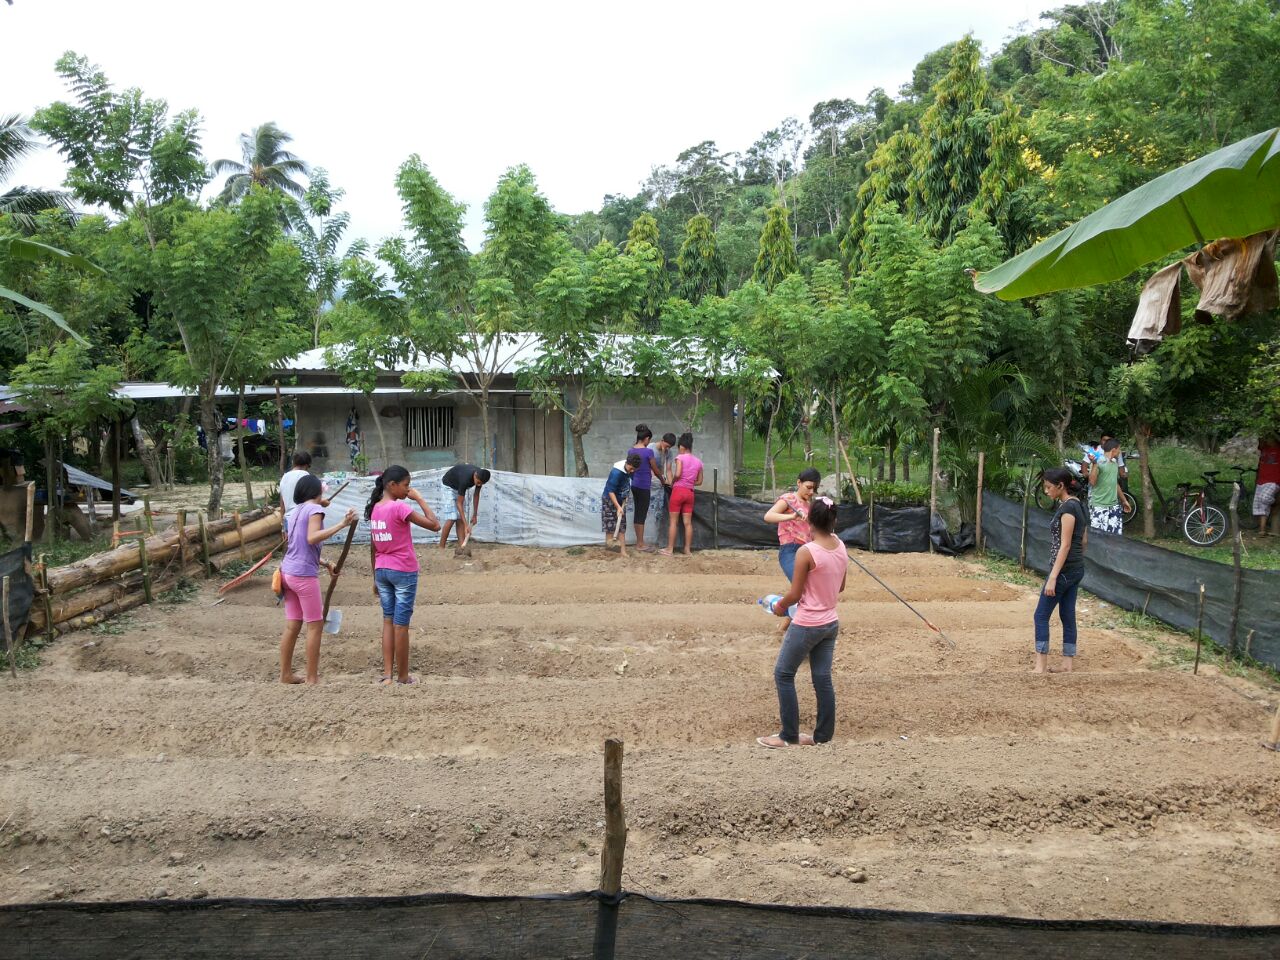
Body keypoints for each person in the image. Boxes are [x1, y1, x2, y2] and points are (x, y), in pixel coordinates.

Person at [757, 496, 847, 749]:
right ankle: (822, 736)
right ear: (833, 520)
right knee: (822, 678)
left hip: (808, 623)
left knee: (783, 674)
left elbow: (795, 594)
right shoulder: (840, 545)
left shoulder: (806, 552)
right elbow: (841, 586)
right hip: (830, 622)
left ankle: (788, 736)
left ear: (809, 521)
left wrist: (780, 606)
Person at [278, 475, 357, 685]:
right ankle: (312, 677)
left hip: (288, 572)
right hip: (303, 576)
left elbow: (298, 547)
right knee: (315, 625)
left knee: (292, 625)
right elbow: (312, 538)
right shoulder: (314, 510)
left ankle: (285, 674)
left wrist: (325, 563)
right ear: (316, 492)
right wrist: (342, 524)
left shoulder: (295, 512)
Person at [367, 465, 441, 685]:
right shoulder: (399, 508)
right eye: (406, 485)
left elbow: (373, 545)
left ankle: (387, 675)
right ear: (392, 485)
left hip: (382, 570)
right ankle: (403, 677)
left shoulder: (376, 508)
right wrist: (419, 499)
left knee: (388, 621)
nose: (408, 490)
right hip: (403, 570)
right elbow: (435, 525)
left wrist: (374, 576)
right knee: (401, 625)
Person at [1034, 466, 1087, 675]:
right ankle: (1067, 664)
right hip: (1076, 568)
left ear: (1061, 485)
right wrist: (1076, 560)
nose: (1046, 491)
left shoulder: (1067, 509)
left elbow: (1065, 545)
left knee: (1040, 615)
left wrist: (1053, 577)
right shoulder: (1079, 505)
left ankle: (1040, 666)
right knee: (1067, 614)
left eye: (1049, 487)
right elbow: (1083, 540)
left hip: (1064, 570)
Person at [764, 467, 821, 581]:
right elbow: (768, 516)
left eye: (814, 488)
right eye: (808, 487)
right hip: (791, 550)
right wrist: (792, 517)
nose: (811, 492)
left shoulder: (810, 505)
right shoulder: (789, 499)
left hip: (809, 550)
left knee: (810, 584)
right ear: (799, 482)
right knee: (800, 582)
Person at [660, 433, 703, 557]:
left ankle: (669, 549)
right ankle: (687, 550)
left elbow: (678, 474)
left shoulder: (680, 458)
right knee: (688, 523)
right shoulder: (699, 462)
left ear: (682, 447)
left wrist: (673, 482)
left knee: (673, 522)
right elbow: (700, 481)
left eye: (679, 448)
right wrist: (689, 482)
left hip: (678, 491)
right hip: (690, 493)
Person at [438, 463, 491, 549]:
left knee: (460, 518)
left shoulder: (480, 477)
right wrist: (466, 525)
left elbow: (476, 495)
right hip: (448, 486)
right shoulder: (465, 479)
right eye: (478, 482)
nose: (479, 485)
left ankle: (462, 547)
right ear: (475, 475)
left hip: (458, 487)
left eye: (481, 484)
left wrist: (475, 515)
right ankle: (441, 547)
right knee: (452, 517)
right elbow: (459, 503)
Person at [627, 425, 660, 553]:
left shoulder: (631, 451)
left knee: (638, 513)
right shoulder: (648, 452)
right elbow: (655, 469)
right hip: (644, 486)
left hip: (634, 485)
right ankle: (640, 544)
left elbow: (629, 469)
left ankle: (639, 542)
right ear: (646, 438)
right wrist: (663, 480)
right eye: (649, 440)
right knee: (641, 514)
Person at [278, 451, 329, 534]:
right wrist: (323, 502)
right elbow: (310, 501)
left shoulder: (284, 477)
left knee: (292, 543)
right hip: (302, 520)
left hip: (288, 520)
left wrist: (282, 525)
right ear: (307, 465)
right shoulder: (306, 476)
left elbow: (282, 504)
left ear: (293, 463)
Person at [602, 454, 641, 555]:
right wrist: (618, 507)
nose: (632, 471)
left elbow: (629, 481)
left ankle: (623, 552)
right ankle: (610, 551)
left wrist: (625, 495)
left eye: (634, 469)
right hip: (609, 500)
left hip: (621, 500)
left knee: (622, 526)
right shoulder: (616, 473)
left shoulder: (630, 469)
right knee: (610, 525)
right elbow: (611, 491)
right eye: (631, 468)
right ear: (627, 463)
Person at [1088, 439, 1123, 534]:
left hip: (1114, 506)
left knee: (1115, 537)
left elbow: (1115, 483)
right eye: (1119, 449)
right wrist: (1094, 464)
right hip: (1099, 506)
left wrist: (1124, 500)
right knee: (1098, 537)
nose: (1120, 452)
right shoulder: (1098, 462)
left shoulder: (1114, 463)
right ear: (1114, 450)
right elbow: (1092, 482)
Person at [1253, 433, 1280, 536]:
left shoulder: (1278, 449)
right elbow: (1260, 441)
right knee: (1259, 506)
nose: (1266, 440)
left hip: (1273, 481)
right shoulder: (1264, 447)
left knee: (1264, 499)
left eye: (1268, 437)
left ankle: (1274, 505)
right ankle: (1262, 530)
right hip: (1261, 481)